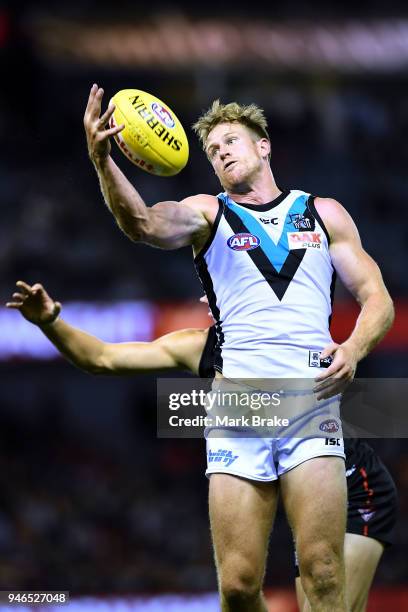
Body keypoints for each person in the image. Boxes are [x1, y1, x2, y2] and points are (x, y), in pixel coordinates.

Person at [83, 86, 394, 611]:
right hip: (238, 407)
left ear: (264, 146)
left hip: (310, 400)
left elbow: (377, 298)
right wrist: (102, 160)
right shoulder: (208, 213)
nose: (222, 151)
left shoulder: (323, 214)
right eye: (212, 151)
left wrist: (355, 347)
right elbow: (142, 224)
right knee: (238, 586)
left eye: (231, 140)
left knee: (322, 574)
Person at [6, 281, 397, 612]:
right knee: (238, 591)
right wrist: (51, 322)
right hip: (266, 482)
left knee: (324, 599)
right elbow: (102, 358)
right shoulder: (204, 347)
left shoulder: (300, 332)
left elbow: (372, 306)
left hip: (350, 488)